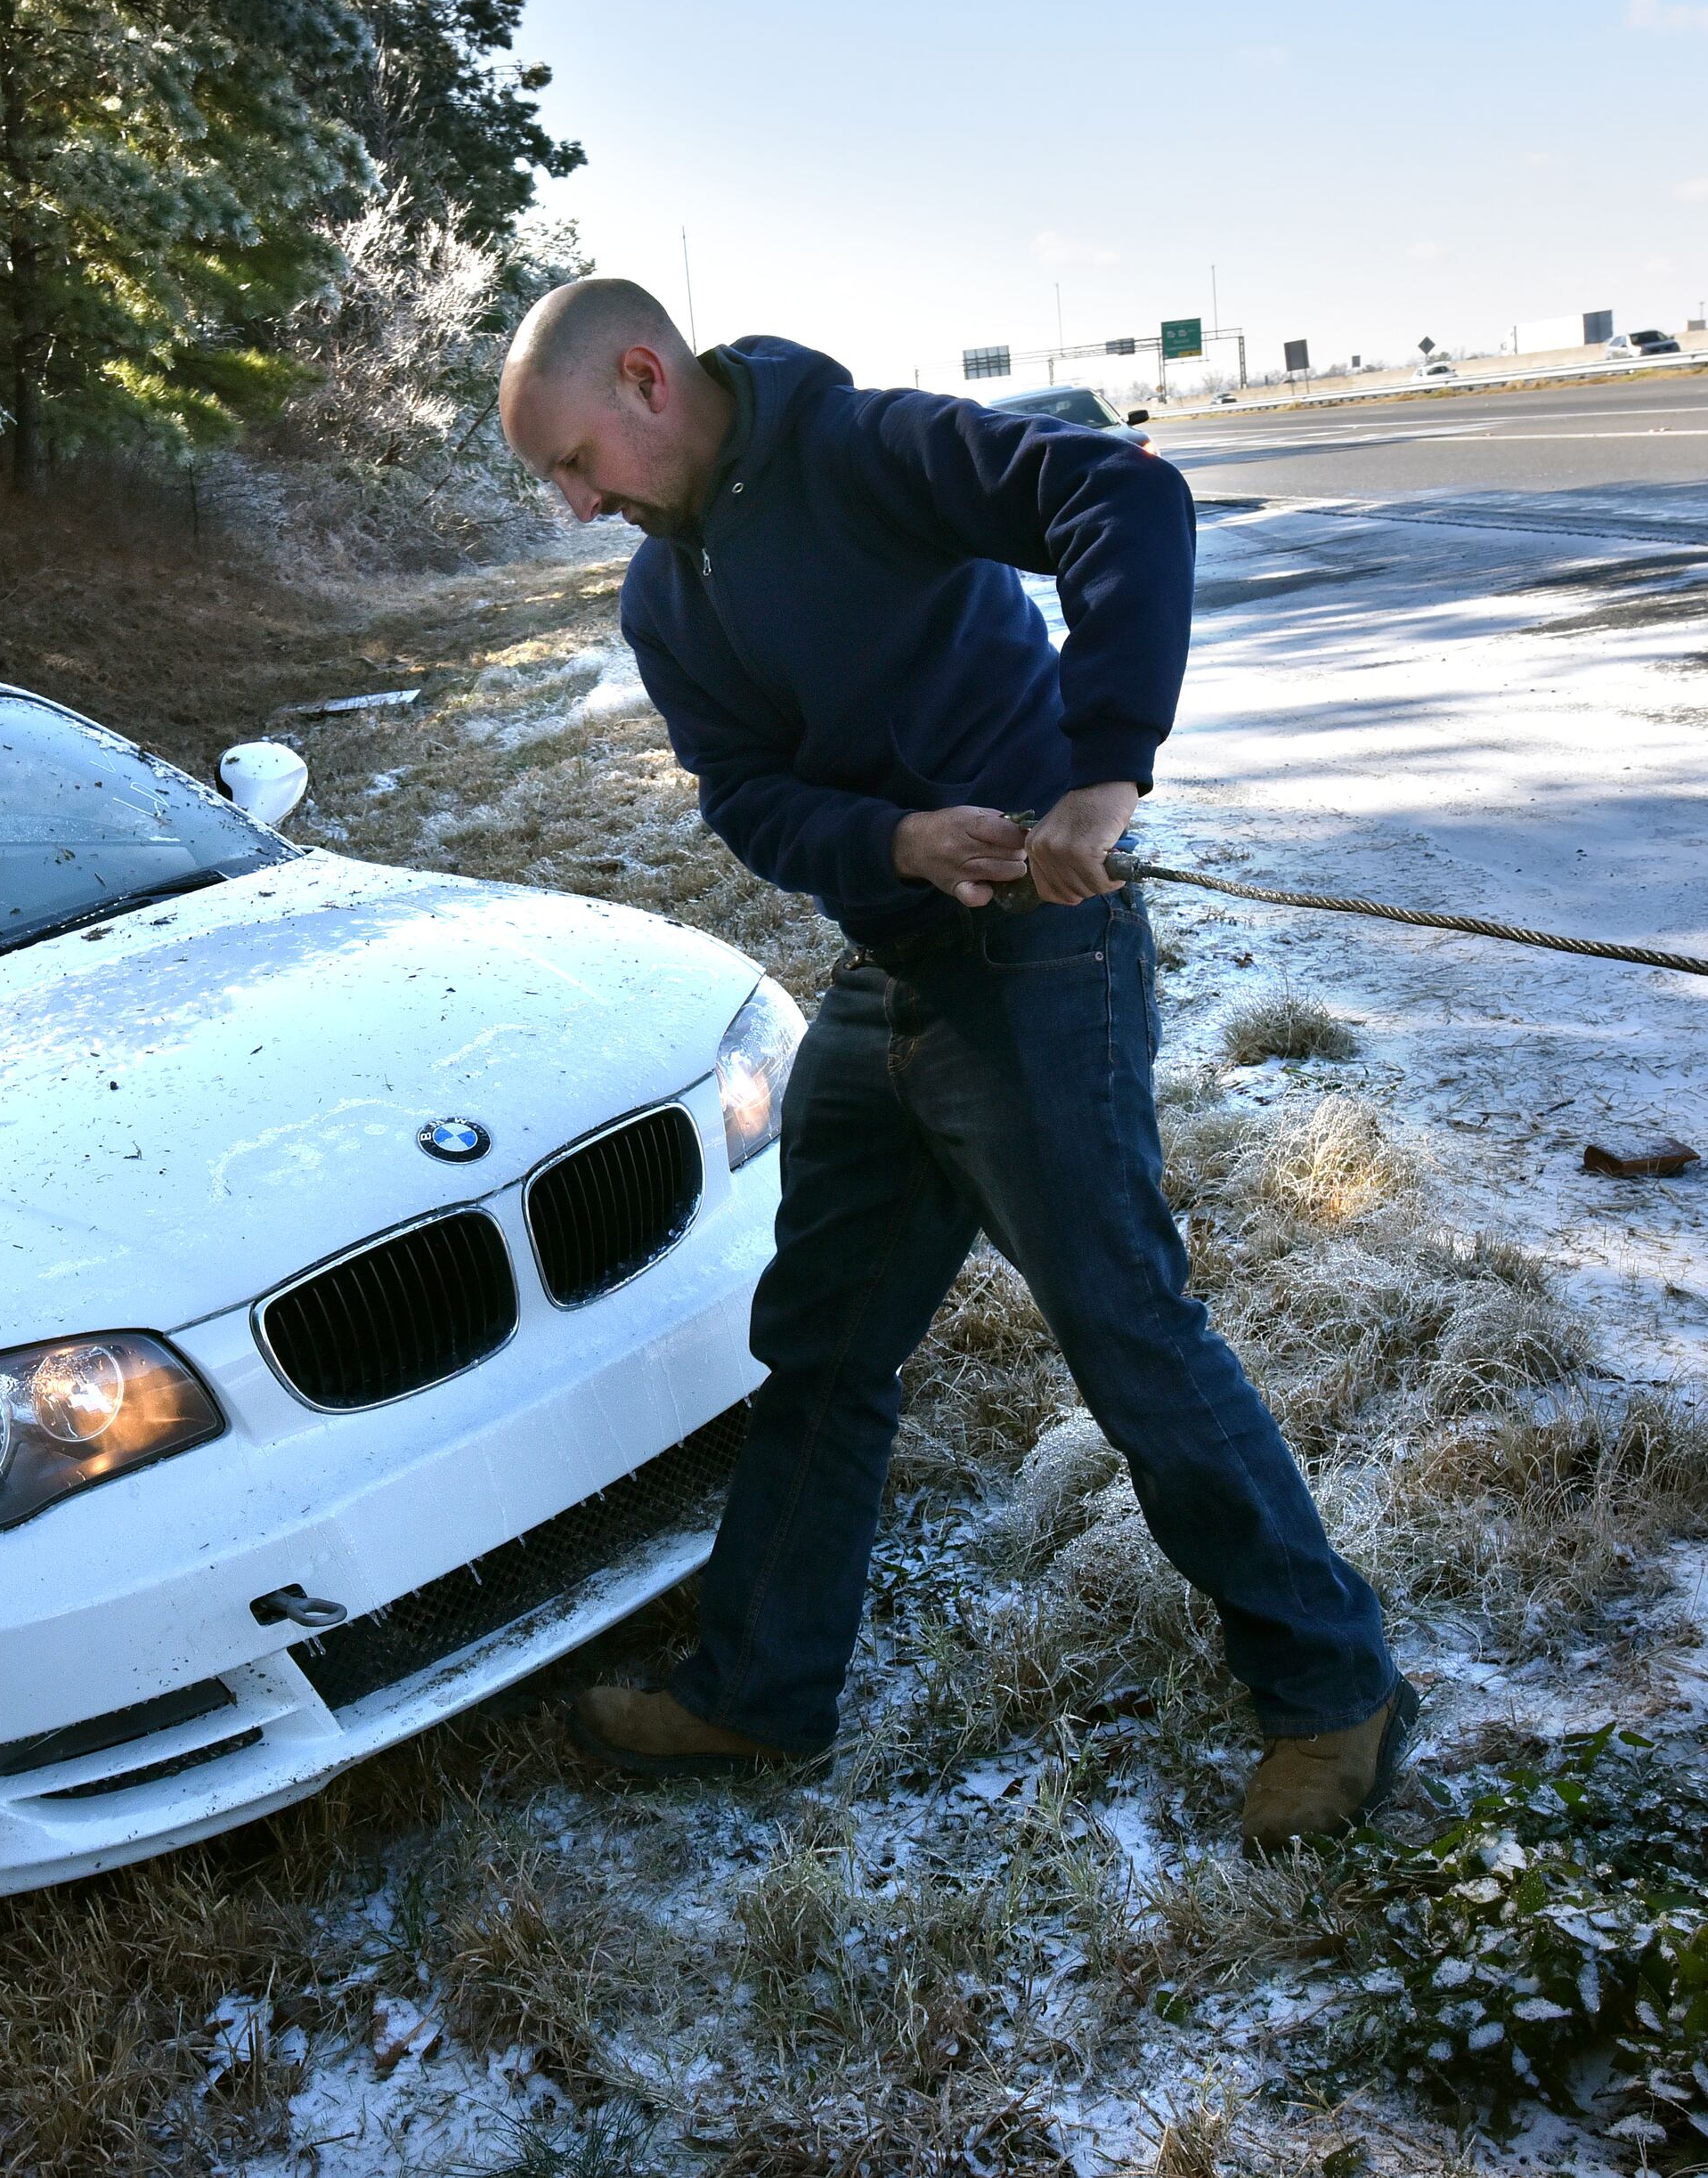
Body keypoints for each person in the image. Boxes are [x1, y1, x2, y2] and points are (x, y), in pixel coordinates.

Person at [495, 278, 1414, 1845]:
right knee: (823, 1343)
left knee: (1129, 1331)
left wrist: (1102, 772)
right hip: (891, 977)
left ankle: (1337, 1690)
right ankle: (758, 1693)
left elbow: (1123, 494)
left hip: (1044, 961)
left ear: (647, 377)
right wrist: (895, 841)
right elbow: (749, 800)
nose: (577, 507)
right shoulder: (665, 599)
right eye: (557, 486)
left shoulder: (860, 448)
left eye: (578, 461)